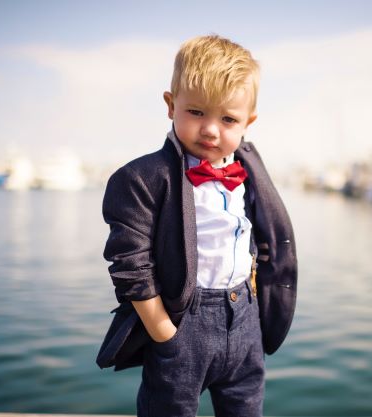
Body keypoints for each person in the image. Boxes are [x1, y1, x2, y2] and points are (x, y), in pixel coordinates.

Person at [97, 34, 297, 417]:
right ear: (171, 106)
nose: (210, 129)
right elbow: (131, 264)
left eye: (228, 119)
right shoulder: (143, 177)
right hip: (183, 324)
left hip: (245, 321)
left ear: (247, 123)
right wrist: (164, 334)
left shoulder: (250, 167)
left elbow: (264, 234)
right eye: (197, 112)